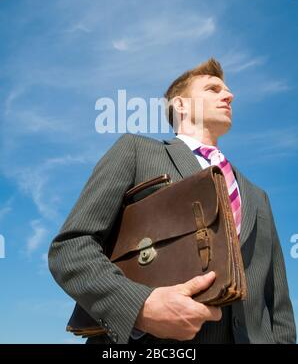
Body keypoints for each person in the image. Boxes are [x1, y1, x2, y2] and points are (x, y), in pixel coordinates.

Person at [48, 58, 296, 344]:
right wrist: (141, 306)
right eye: (213, 89)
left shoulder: (258, 197)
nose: (229, 95)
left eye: (227, 91)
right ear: (181, 105)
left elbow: (278, 304)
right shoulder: (136, 151)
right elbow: (71, 246)